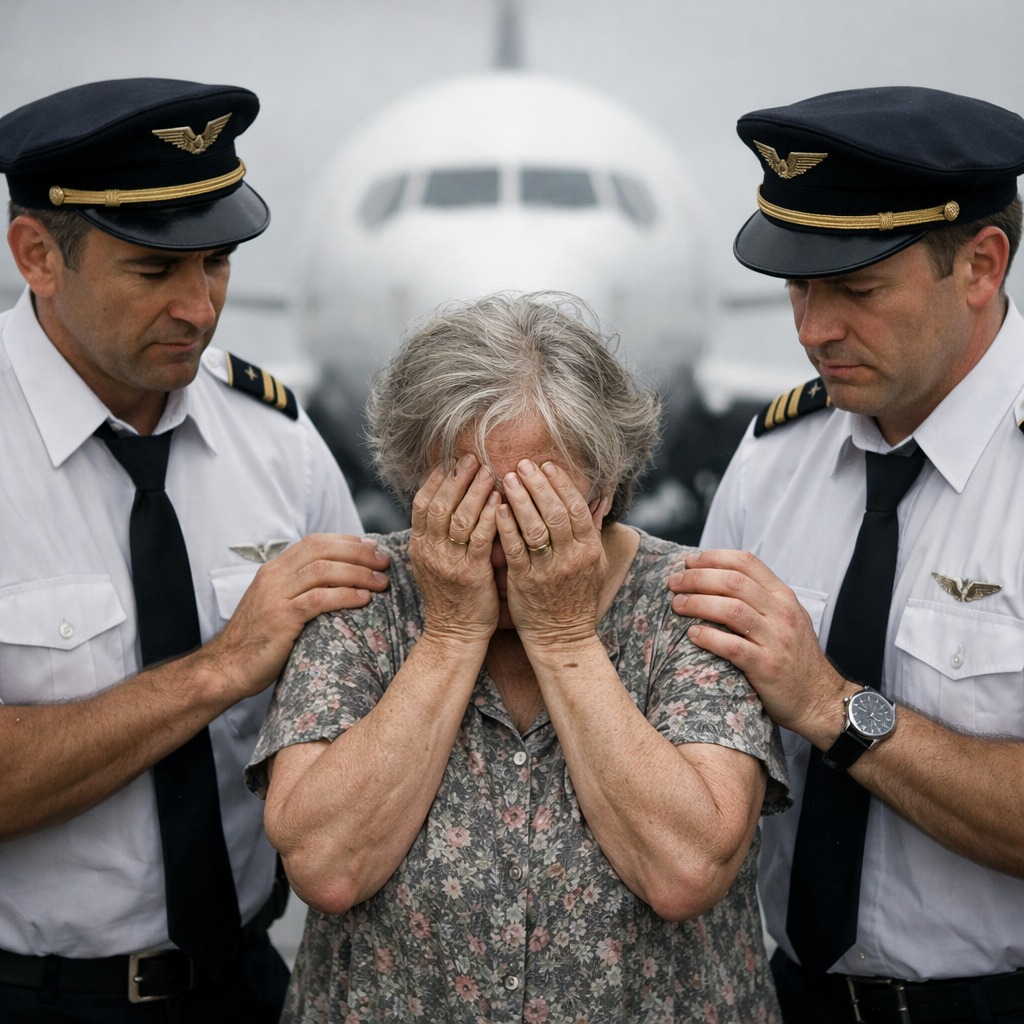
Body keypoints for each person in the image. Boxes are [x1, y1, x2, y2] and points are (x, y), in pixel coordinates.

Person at [244, 291, 789, 1023]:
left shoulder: (696, 606)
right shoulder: (363, 598)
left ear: (600, 489)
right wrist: (449, 636)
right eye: (468, 500)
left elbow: (685, 869)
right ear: (415, 483)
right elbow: (326, 865)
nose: (501, 538)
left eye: (536, 502)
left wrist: (564, 640)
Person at [0, 78, 389, 1022]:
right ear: (36, 255)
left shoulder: (274, 437)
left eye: (216, 264)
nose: (200, 308)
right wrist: (219, 671)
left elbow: (374, 697)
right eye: (153, 271)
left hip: (248, 984)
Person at [668, 86, 1024, 1023]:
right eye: (798, 285)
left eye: (857, 290)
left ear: (981, 266)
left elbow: (810, 699)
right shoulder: (776, 455)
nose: (811, 330)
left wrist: (833, 706)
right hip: (789, 999)